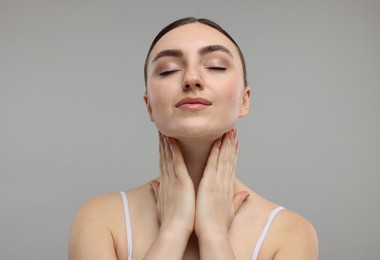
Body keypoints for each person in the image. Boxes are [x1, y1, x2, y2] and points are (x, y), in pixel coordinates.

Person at [68, 17, 318, 260]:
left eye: (216, 66)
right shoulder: (100, 221)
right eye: (169, 70)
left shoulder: (290, 233)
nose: (191, 79)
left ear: (244, 99)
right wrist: (173, 230)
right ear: (149, 107)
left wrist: (214, 234)